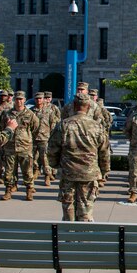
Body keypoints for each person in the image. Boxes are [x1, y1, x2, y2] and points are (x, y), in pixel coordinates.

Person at [47, 92, 105, 221]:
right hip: (89, 174)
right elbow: (104, 152)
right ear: (89, 106)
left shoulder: (64, 125)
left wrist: (56, 165)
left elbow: (52, 149)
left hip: (68, 173)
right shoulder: (97, 126)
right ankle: (83, 238)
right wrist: (104, 171)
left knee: (68, 210)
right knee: (86, 210)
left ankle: (68, 238)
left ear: (73, 106)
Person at [0, 90, 42, 201]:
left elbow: (36, 128)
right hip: (10, 147)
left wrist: (27, 138)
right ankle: (8, 190)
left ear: (24, 100)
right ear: (14, 100)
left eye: (21, 99)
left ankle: (29, 190)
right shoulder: (7, 114)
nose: (19, 101)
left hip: (25, 146)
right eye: (17, 99)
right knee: (9, 171)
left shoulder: (30, 114)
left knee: (27, 170)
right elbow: (2, 127)